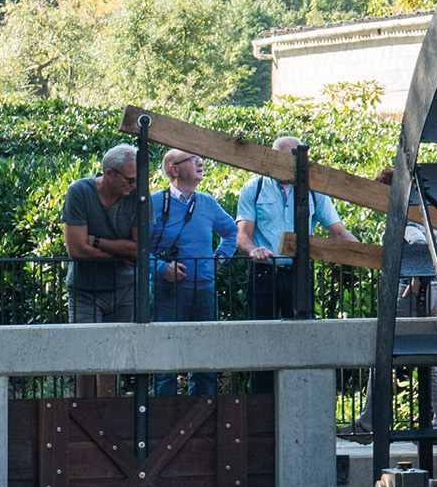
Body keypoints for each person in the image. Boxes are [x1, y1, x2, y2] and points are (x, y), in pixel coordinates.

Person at [145, 149, 229, 392]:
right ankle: (164, 422)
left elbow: (231, 232)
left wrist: (219, 257)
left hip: (204, 291)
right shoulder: (154, 202)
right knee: (164, 364)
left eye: (200, 158)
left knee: (205, 363)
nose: (201, 162)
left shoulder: (208, 203)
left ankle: (202, 422)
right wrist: (161, 268)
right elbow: (138, 248)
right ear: (174, 169)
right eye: (193, 159)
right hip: (165, 293)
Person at [232, 135, 340, 320]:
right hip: (264, 272)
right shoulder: (254, 188)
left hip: (300, 272)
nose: (294, 164)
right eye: (288, 160)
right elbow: (242, 235)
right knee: (262, 332)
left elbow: (338, 232)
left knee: (301, 334)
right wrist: (254, 251)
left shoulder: (314, 190)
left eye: (297, 159)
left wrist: (369, 258)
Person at [61, 143, 141, 326]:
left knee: (124, 348)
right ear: (109, 174)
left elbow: (139, 249)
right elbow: (78, 251)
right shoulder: (79, 192)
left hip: (127, 288)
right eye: (130, 180)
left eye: (137, 179)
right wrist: (122, 255)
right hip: (85, 291)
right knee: (86, 347)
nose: (134, 185)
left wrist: (95, 241)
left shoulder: (139, 196)